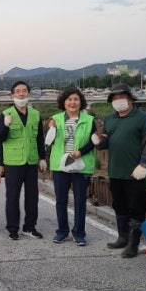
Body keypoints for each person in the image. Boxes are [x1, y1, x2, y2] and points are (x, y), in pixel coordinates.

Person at [94, 83, 146, 258]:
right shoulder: (110, 119)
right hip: (115, 171)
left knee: (136, 208)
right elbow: (106, 141)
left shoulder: (142, 118)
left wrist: (143, 163)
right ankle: (122, 237)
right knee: (119, 205)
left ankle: (133, 244)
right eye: (115, 98)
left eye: (122, 97)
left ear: (130, 99)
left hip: (135, 172)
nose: (118, 101)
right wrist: (98, 142)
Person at [0, 81, 47, 241]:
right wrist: (5, 126)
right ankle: (13, 229)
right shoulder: (6, 114)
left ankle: (30, 227)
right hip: (13, 162)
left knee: (32, 196)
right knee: (12, 196)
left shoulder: (35, 114)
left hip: (31, 162)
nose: (21, 94)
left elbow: (39, 138)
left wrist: (42, 158)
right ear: (12, 95)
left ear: (29, 94)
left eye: (24, 91)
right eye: (18, 91)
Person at [45, 87, 97, 246]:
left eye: (76, 99)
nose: (73, 102)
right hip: (60, 165)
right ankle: (62, 231)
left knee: (80, 200)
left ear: (81, 102)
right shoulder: (56, 118)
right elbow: (49, 142)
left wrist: (81, 152)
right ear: (64, 102)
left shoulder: (90, 120)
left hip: (81, 165)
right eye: (69, 99)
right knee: (61, 200)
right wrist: (50, 128)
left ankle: (79, 233)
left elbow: (93, 141)